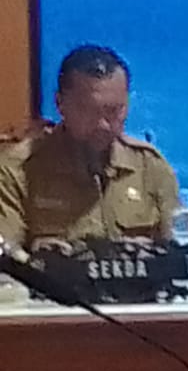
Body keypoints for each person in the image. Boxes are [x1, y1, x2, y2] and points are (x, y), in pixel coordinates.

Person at [0, 46, 178, 251]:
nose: (103, 125)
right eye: (88, 111)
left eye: (113, 111)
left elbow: (182, 251)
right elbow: (5, 257)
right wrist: (38, 259)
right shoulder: (18, 171)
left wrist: (149, 255)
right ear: (60, 104)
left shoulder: (149, 167)